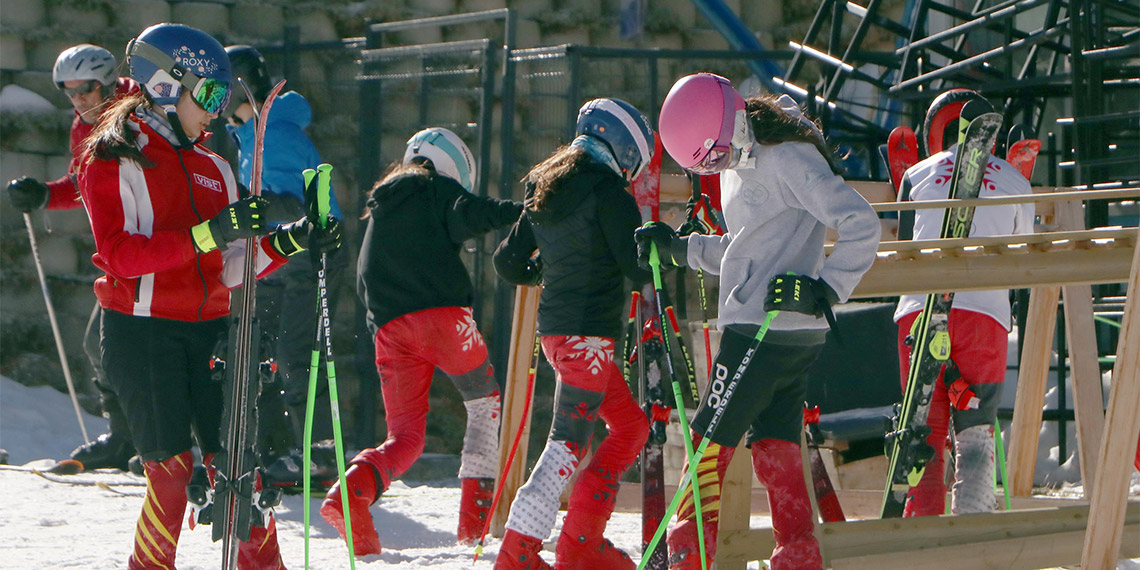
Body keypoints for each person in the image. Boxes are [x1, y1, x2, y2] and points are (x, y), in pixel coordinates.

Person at [77, 23, 339, 569]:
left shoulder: (214, 166)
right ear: (167, 84)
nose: (218, 111)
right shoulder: (114, 156)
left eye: (224, 97)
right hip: (143, 332)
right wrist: (209, 233)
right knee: (172, 475)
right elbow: (121, 256)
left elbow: (234, 265)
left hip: (211, 333)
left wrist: (293, 240)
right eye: (212, 93)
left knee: (243, 471)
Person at [637, 73, 880, 570]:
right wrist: (681, 249)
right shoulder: (741, 162)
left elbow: (861, 222)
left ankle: (687, 557)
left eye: (717, 154)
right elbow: (744, 247)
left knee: (706, 448)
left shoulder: (788, 157)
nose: (718, 166)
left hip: (763, 330)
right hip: (783, 334)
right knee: (776, 446)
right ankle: (798, 557)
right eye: (705, 165)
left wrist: (826, 288)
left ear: (733, 121)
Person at [320, 126, 521, 555]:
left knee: (405, 439)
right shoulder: (437, 189)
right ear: (452, 168)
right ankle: (473, 530)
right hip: (444, 318)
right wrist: (523, 211)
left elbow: (363, 281)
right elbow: (474, 213)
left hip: (389, 331)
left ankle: (349, 493)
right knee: (484, 403)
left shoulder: (381, 206)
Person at [492, 98, 654, 570]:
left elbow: (507, 261)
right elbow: (637, 268)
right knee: (566, 445)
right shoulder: (610, 193)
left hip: (559, 337)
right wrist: (667, 248)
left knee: (631, 428)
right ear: (626, 150)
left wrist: (545, 271)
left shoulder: (545, 187)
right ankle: (518, 554)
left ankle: (581, 542)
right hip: (591, 340)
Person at [893, 89, 1033, 517]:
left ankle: (923, 535)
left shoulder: (916, 174)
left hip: (918, 312)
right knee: (975, 436)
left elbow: (904, 249)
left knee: (923, 434)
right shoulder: (1015, 182)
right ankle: (973, 533)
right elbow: (1024, 254)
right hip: (984, 314)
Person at [5, 44, 140, 471]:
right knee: (100, 344)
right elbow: (82, 184)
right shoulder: (83, 126)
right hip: (117, 255)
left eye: (86, 89)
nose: (78, 99)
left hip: (152, 246)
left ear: (107, 83)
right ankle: (124, 439)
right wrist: (44, 194)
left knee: (146, 348)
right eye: (68, 91)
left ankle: (166, 443)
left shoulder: (140, 114)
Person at [222, 44, 346, 487]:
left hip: (312, 250)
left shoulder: (274, 133)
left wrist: (238, 201)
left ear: (239, 88)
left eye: (219, 91)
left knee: (297, 355)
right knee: (258, 350)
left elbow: (297, 205)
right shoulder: (250, 134)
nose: (213, 103)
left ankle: (321, 456)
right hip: (276, 253)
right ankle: (274, 451)